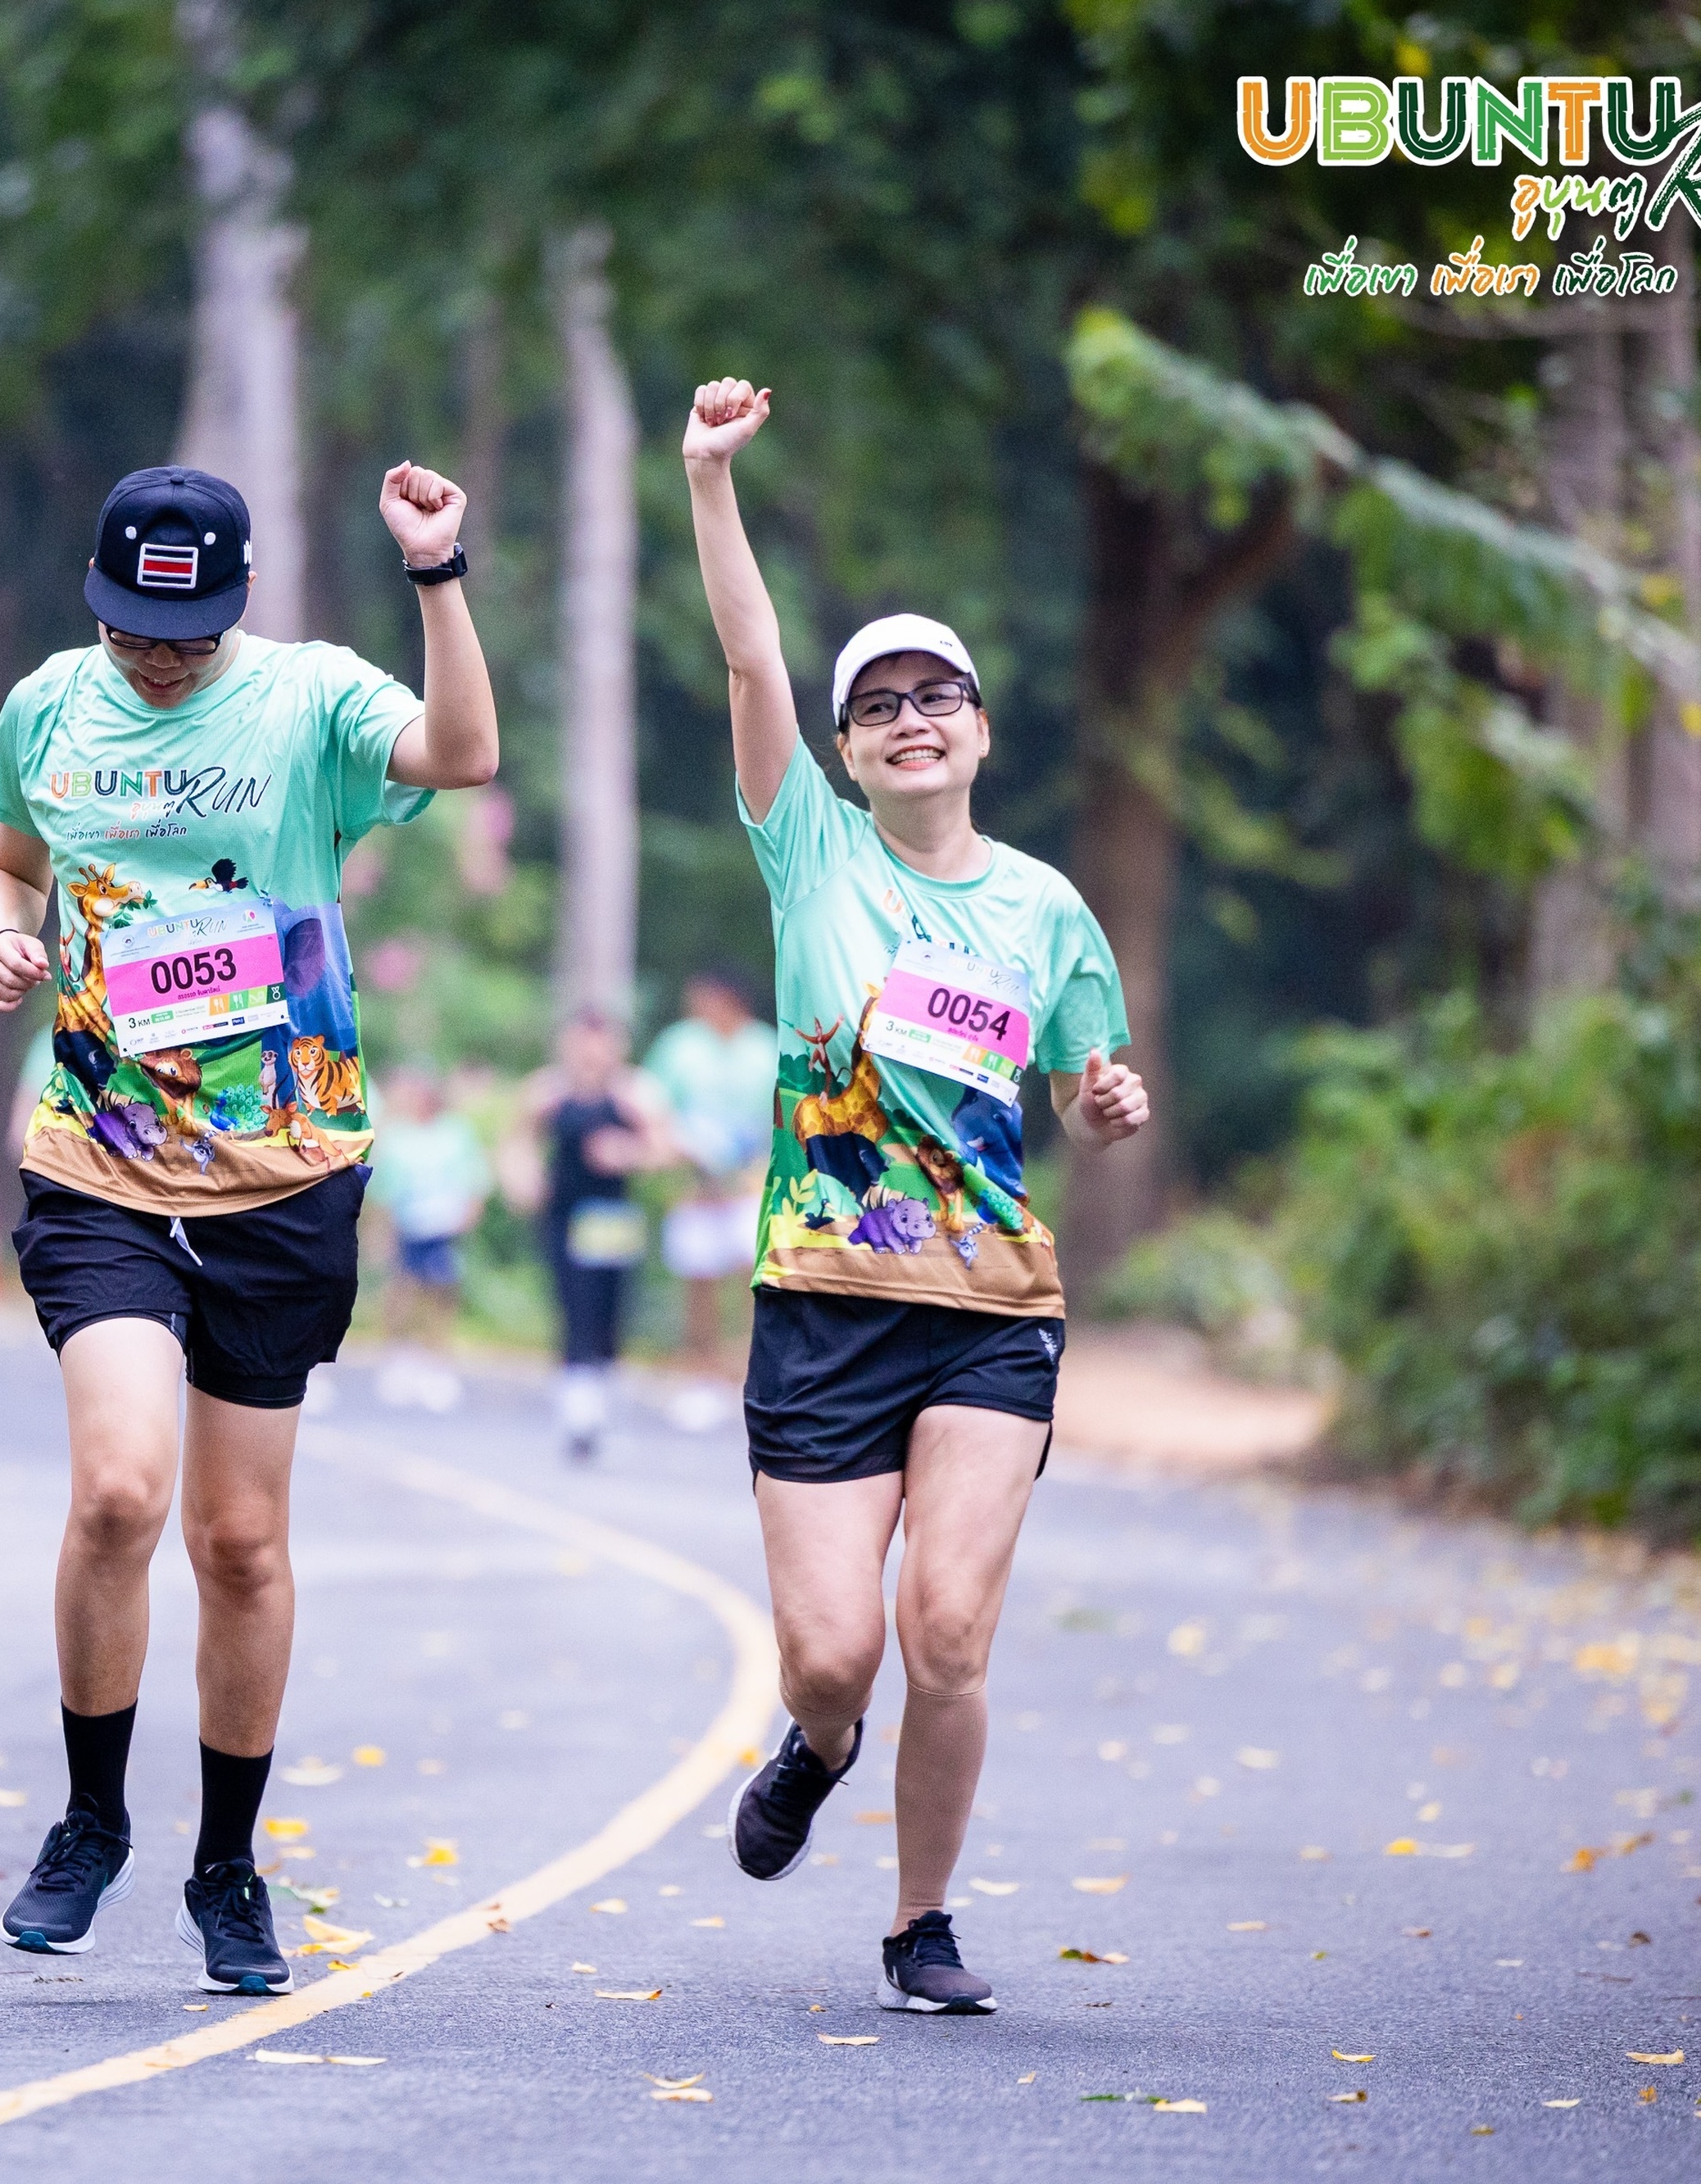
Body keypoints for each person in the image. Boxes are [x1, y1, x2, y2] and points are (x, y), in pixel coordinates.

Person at [0, 459, 496, 1992]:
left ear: (240, 604)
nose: (156, 658)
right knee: (120, 1494)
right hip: (104, 1163)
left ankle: (228, 1866)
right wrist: (5, 938)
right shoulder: (48, 708)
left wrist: (437, 571)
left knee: (242, 1543)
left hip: (286, 1170)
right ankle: (90, 1821)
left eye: (185, 635)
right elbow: (4, 864)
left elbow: (464, 751)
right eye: (132, 629)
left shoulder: (310, 699)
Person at [681, 377, 1148, 2015]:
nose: (908, 720)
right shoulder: (811, 857)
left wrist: (1106, 1102)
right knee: (835, 1656)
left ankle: (920, 1920)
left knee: (948, 1629)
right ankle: (817, 1746)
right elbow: (750, 657)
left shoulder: (1046, 912)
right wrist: (710, 478)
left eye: (935, 695)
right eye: (875, 706)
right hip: (824, 1302)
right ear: (844, 751)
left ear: (980, 729)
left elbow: (1086, 1093)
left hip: (991, 1313)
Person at [519, 1012, 674, 1461]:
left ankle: (602, 1402)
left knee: (609, 1309)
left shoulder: (635, 1093)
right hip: (563, 1215)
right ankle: (577, 1412)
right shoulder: (547, 1092)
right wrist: (524, 1178)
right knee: (573, 1305)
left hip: (612, 1218)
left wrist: (628, 1153)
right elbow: (519, 1142)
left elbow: (666, 1147)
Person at [643, 968, 775, 1374]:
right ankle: (700, 1360)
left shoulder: (765, 1048)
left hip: (751, 1185)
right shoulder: (679, 1045)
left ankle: (748, 1362)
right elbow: (652, 1107)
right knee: (698, 1275)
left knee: (755, 1276)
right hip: (693, 1183)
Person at [365, 1065, 491, 1411]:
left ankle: (437, 1363)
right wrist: (381, 1231)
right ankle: (397, 1358)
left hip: (444, 1229)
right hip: (408, 1227)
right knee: (401, 1291)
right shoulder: (398, 1136)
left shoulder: (456, 1133)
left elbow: (474, 1178)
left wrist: (469, 1215)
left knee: (442, 1294)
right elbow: (384, 1188)